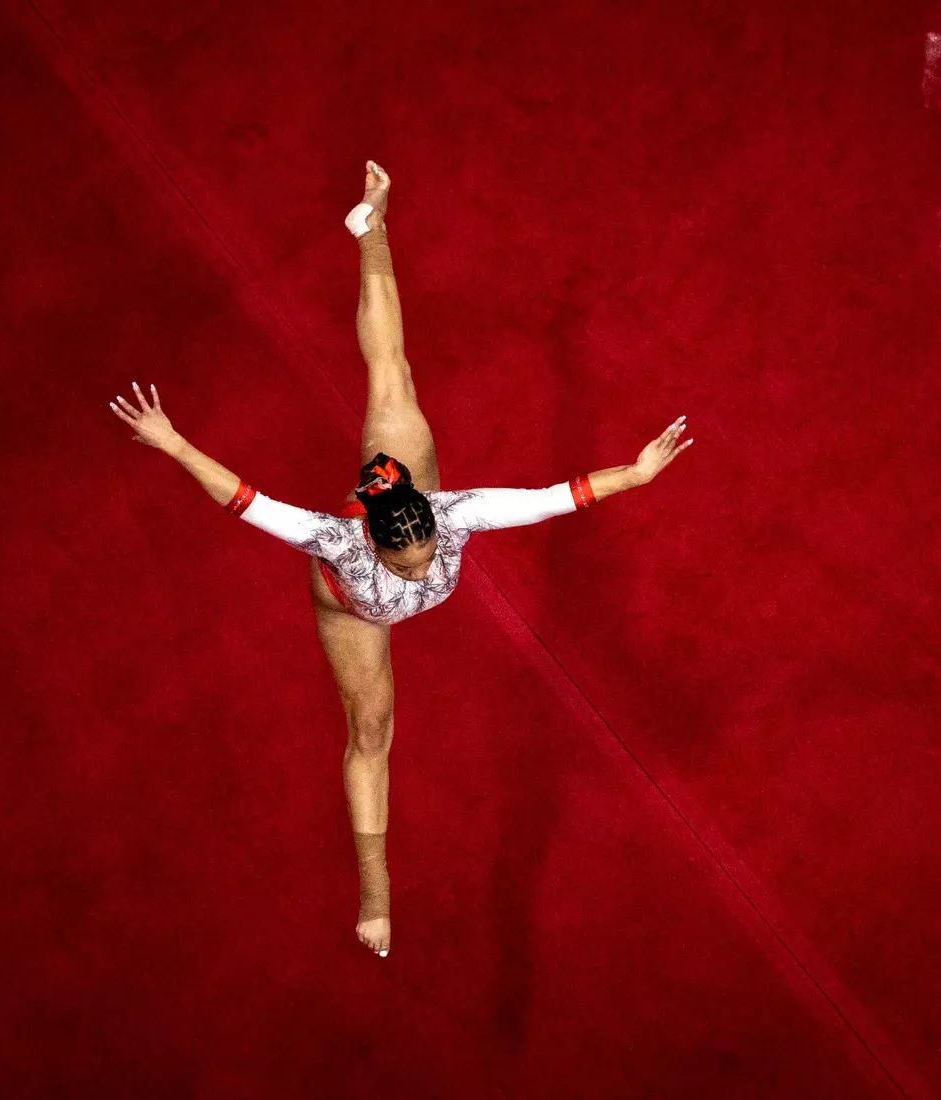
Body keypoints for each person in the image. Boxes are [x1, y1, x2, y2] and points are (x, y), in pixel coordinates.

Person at [111, 161, 693, 960]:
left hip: (401, 483)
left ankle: (370, 229)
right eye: (412, 561)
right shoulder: (337, 541)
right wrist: (171, 440)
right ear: (378, 536)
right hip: (351, 610)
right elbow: (245, 499)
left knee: (393, 376)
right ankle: (375, 890)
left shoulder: (453, 515)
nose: (424, 570)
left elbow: (555, 495)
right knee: (374, 725)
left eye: (426, 556)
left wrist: (635, 472)